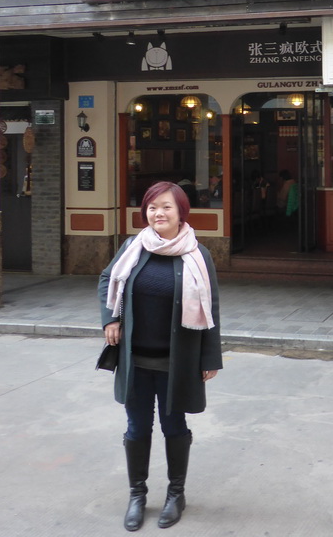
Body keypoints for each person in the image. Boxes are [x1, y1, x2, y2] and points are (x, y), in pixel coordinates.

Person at [98, 181, 222, 531]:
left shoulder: (197, 254)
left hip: (177, 360)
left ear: (181, 211)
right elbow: (108, 279)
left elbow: (211, 307)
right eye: (152, 207)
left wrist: (209, 357)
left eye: (166, 206)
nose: (159, 213)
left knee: (174, 427)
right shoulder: (133, 246)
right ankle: (137, 495)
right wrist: (111, 318)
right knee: (137, 427)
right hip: (135, 359)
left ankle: (175, 495)